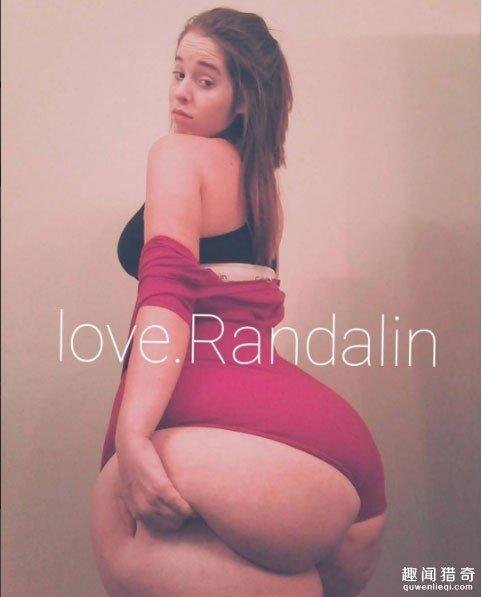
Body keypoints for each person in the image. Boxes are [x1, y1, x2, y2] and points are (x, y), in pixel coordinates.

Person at [89, 8, 388, 596]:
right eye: (178, 73)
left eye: (205, 80)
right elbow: (254, 317)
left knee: (118, 533)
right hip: (342, 454)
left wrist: (132, 433)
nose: (181, 92)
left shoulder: (177, 154)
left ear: (244, 100)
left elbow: (167, 293)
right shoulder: (261, 187)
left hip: (200, 402)